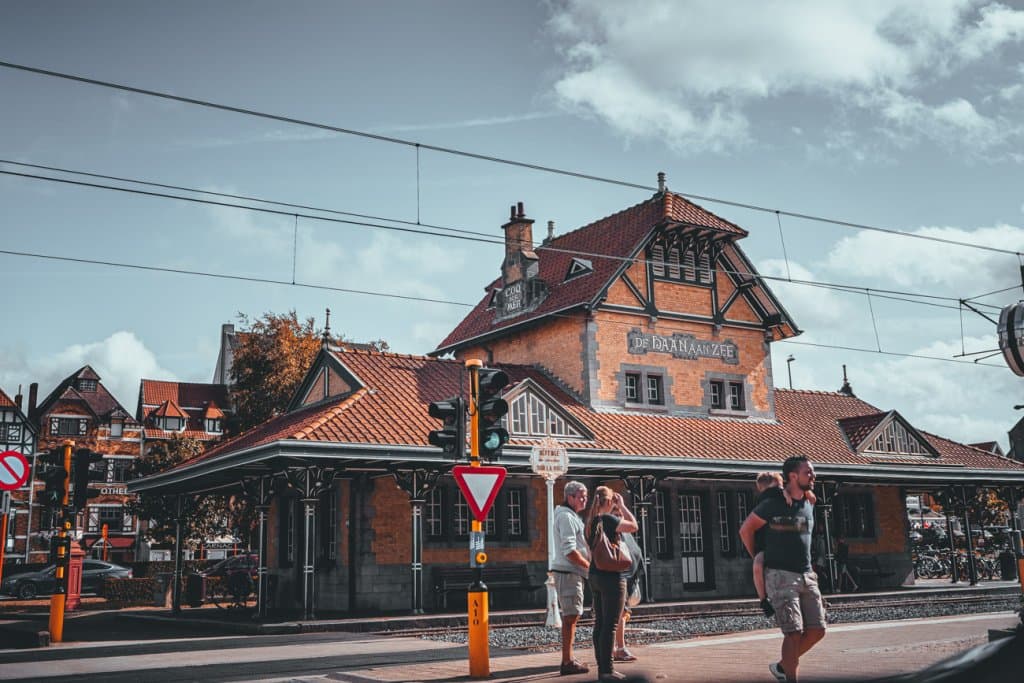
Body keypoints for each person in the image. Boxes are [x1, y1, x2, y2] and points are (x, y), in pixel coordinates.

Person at [740, 456, 826, 683]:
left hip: (807, 574)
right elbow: (745, 529)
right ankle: (790, 678)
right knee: (793, 633)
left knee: (818, 630)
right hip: (780, 575)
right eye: (808, 472)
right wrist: (758, 554)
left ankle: (781, 666)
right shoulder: (773, 502)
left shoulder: (809, 501)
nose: (813, 476)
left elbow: (811, 497)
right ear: (792, 476)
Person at [587, 485, 638, 682]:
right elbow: (633, 526)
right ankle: (607, 671)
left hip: (595, 575)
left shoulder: (590, 520)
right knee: (610, 624)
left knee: (600, 623)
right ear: (608, 501)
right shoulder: (607, 519)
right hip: (612, 577)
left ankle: (603, 668)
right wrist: (623, 506)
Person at [551, 480, 591, 676]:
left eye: (586, 496)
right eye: (581, 496)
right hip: (569, 572)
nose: (585, 500)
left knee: (573, 616)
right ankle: (567, 661)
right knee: (570, 617)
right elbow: (569, 550)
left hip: (572, 572)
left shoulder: (570, 515)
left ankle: (569, 658)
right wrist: (589, 566)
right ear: (570, 497)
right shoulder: (566, 517)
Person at [614, 525, 644, 662]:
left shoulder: (621, 530)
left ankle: (614, 649)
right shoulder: (612, 526)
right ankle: (619, 648)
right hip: (618, 575)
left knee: (618, 612)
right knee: (619, 612)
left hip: (621, 574)